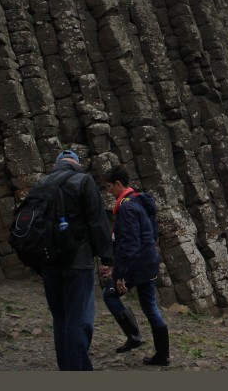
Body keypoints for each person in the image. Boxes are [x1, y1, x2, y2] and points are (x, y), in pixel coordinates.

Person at [39, 150, 114, 371]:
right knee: (79, 319)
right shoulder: (83, 181)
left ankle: (67, 368)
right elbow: (97, 221)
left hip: (49, 263)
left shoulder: (42, 184)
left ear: (57, 164)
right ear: (77, 165)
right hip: (78, 261)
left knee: (60, 319)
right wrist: (107, 257)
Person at [103, 166, 170, 366]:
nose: (109, 192)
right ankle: (162, 355)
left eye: (109, 187)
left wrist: (122, 275)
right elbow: (152, 233)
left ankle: (134, 336)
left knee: (110, 294)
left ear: (118, 184)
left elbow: (129, 244)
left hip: (137, 264)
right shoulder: (140, 201)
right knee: (150, 307)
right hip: (149, 261)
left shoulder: (127, 207)